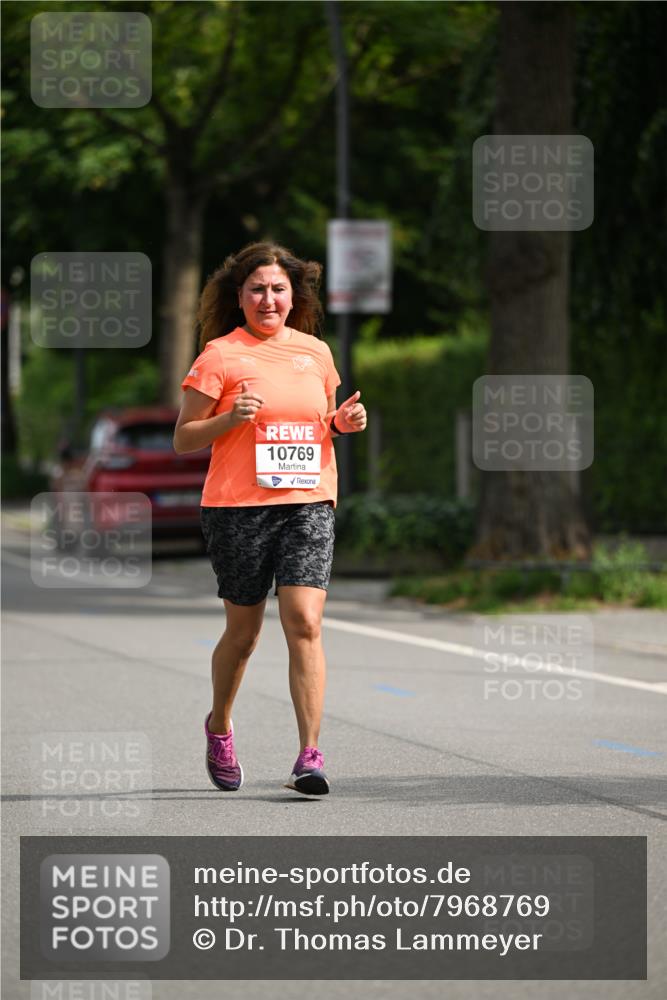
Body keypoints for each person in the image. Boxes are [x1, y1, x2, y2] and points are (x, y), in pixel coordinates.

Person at [174, 242, 367, 796]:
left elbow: (317, 425)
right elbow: (184, 438)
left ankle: (309, 756)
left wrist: (343, 422)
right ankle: (219, 726)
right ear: (239, 297)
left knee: (304, 621)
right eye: (257, 288)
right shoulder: (219, 355)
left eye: (278, 289)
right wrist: (229, 417)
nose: (268, 298)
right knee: (244, 633)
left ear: (293, 296)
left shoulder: (316, 353)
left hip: (307, 501)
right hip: (237, 508)